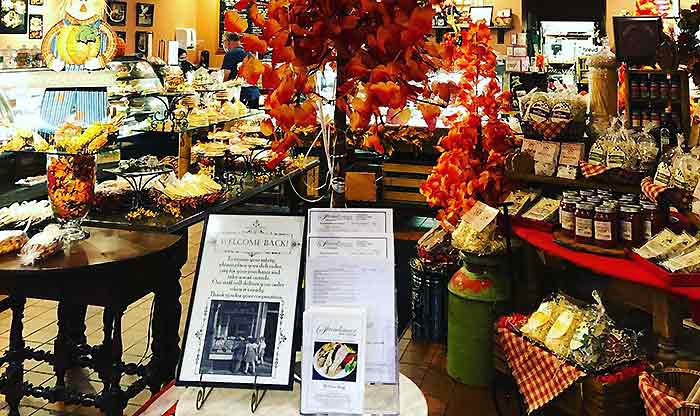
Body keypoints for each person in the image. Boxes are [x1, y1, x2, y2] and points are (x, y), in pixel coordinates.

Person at [221, 32, 261, 109]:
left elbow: (226, 75)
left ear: (228, 41)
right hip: (254, 93)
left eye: (223, 42)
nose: (223, 45)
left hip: (240, 93)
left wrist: (220, 89)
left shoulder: (230, 54)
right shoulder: (250, 54)